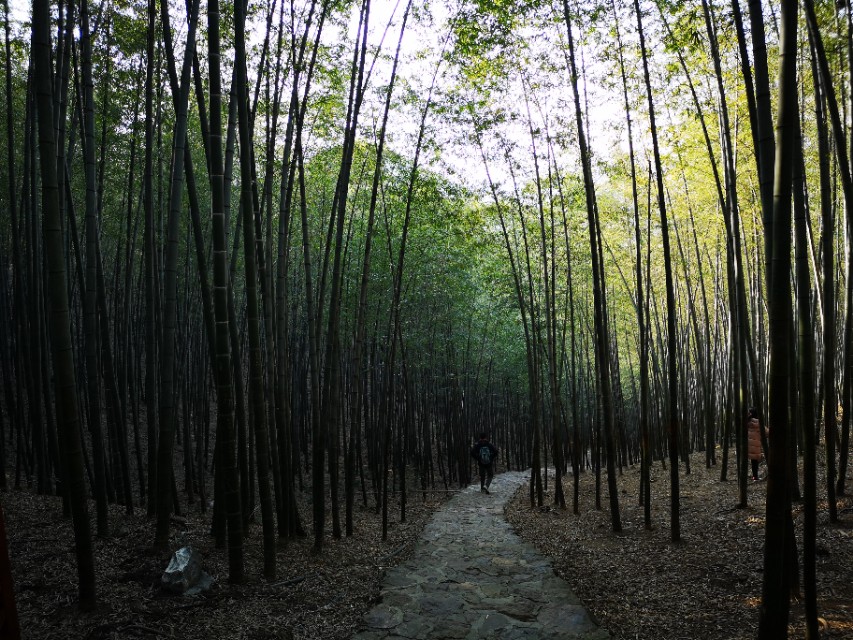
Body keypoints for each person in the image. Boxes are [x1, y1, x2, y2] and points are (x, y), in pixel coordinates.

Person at [747, 407, 762, 481]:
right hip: (755, 446)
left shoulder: (746, 422)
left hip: (747, 446)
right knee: (754, 462)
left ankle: (743, 476)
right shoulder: (759, 423)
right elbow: (767, 432)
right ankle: (755, 477)